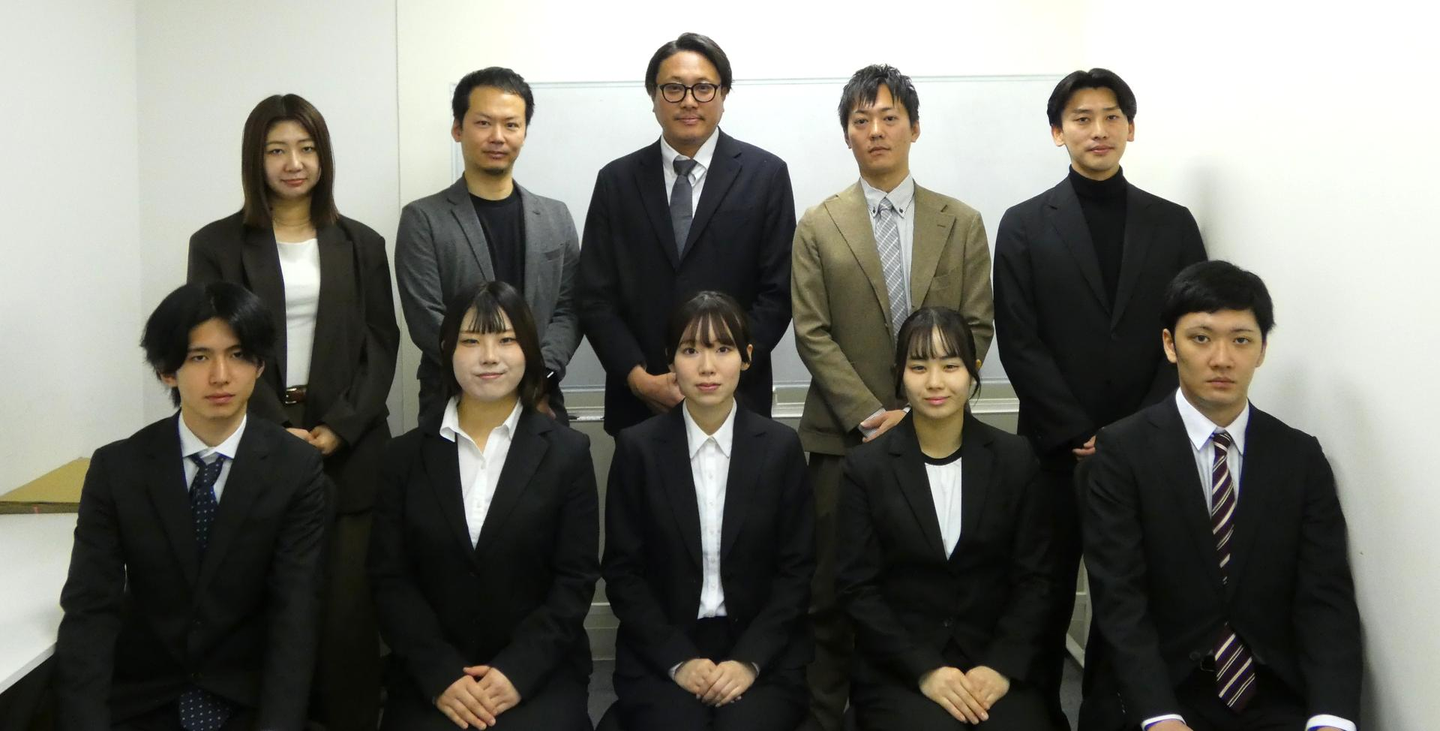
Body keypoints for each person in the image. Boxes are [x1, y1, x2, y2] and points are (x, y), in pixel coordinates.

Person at [991, 67, 1207, 723]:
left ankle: (1113, 717)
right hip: (1055, 453)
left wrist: (1130, 432)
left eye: (1112, 116)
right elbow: (1019, 337)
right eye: (1081, 118)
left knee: (1131, 596)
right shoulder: (1024, 224)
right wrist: (1076, 429)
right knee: (1044, 593)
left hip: (1147, 449)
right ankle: (1039, 715)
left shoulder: (1174, 224)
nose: (1098, 129)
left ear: (1131, 128)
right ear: (1058, 132)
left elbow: (1191, 332)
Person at [791, 64, 994, 731]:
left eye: (889, 117)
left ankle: (910, 703)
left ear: (914, 127)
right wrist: (872, 414)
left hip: (943, 434)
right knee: (831, 589)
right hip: (843, 438)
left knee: (928, 583)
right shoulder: (818, 223)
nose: (875, 130)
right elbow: (812, 331)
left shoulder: (961, 222)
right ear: (847, 133)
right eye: (861, 120)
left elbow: (977, 323)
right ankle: (827, 715)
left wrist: (924, 404)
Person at [187, 92, 398, 731]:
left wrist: (339, 427)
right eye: (276, 150)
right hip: (252, 441)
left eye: (306, 149)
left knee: (347, 611)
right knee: (265, 600)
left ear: (323, 156)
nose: (293, 163)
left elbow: (380, 341)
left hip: (350, 448)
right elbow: (211, 347)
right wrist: (278, 431)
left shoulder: (361, 242)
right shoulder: (217, 245)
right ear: (256, 159)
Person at [1080, 261, 1361, 731]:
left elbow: (1326, 600)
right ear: (1170, 344)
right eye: (1201, 338)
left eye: (1242, 340)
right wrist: (1160, 715)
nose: (1222, 359)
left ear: (1262, 350)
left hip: (1272, 694)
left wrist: (1332, 717)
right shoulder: (1121, 451)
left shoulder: (1300, 457)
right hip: (1160, 690)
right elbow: (1120, 599)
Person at [54, 281, 329, 731]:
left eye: (238, 355)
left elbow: (294, 614)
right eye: (199, 357)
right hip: (144, 701)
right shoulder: (117, 468)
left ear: (259, 365)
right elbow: (90, 611)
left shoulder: (295, 468)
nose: (221, 375)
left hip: (250, 703)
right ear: (167, 370)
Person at [369, 281, 598, 731]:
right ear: (446, 350)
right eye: (471, 341)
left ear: (528, 350)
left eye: (506, 340)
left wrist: (516, 673)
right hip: (433, 674)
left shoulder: (568, 454)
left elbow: (574, 581)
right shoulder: (403, 458)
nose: (489, 356)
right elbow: (389, 579)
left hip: (538, 670)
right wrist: (440, 674)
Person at [835, 306, 1058, 731]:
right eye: (919, 367)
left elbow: (1036, 579)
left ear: (973, 370)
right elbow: (857, 588)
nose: (935, 382)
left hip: (992, 661)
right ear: (900, 374)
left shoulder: (1015, 459)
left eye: (950, 366)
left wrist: (1000, 666)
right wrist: (924, 669)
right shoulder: (866, 468)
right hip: (901, 668)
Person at [602, 291, 815, 731]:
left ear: (747, 357)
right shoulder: (638, 449)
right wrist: (678, 660)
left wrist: (749, 661)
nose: (707, 367)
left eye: (723, 349)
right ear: (670, 360)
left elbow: (797, 573)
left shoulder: (780, 448)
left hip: (761, 648)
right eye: (690, 350)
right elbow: (623, 574)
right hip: (663, 646)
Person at [578, 32, 796, 435]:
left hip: (738, 400)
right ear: (653, 95)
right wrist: (637, 378)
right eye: (674, 88)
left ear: (724, 94)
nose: (689, 101)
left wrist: (725, 370)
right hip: (640, 403)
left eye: (704, 88)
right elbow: (594, 297)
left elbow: (777, 293)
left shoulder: (766, 176)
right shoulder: (616, 181)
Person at [396, 66, 582, 419]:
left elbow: (569, 309)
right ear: (458, 128)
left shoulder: (556, 216)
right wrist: (494, 377)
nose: (498, 137)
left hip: (540, 396)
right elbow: (426, 317)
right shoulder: (423, 219)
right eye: (483, 123)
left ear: (524, 132)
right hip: (452, 398)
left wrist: (539, 376)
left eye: (511, 125)